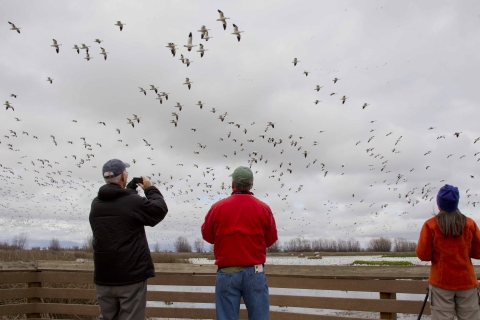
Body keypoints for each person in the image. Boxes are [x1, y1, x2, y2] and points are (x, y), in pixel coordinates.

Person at [89, 159, 168, 320]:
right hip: (130, 277)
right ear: (123, 176)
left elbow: (120, 208)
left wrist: (129, 189)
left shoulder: (96, 204)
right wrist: (150, 189)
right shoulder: (132, 202)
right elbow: (159, 210)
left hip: (104, 277)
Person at [201, 166, 278, 320]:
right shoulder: (263, 208)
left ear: (233, 184)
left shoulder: (218, 208)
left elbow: (207, 235)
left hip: (227, 271)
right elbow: (270, 239)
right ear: (251, 185)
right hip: (255, 272)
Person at [416, 184, 480, 320]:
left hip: (441, 283)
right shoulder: (469, 224)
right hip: (467, 282)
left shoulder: (431, 225)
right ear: (456, 203)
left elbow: (423, 255)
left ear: (439, 204)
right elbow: (478, 253)